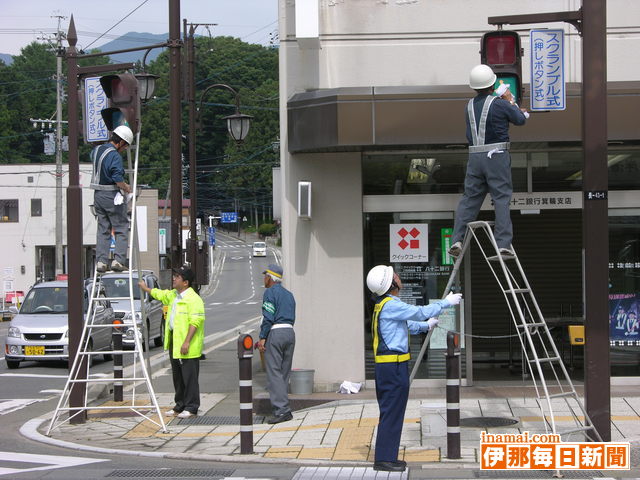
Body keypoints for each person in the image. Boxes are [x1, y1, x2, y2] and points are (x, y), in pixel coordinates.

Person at [366, 265, 462, 472]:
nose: (399, 278)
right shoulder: (390, 304)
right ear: (390, 284)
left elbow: (406, 325)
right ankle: (383, 459)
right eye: (395, 276)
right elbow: (419, 312)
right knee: (392, 412)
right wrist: (446, 303)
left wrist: (426, 326)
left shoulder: (385, 304)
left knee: (393, 411)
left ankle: (388, 456)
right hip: (393, 366)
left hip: (392, 366)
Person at [448, 64, 528, 259]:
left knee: (469, 199)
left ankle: (457, 239)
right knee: (501, 198)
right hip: (497, 155)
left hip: (474, 157)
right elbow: (520, 120)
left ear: (474, 86)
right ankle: (502, 244)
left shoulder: (468, 106)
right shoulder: (500, 103)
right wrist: (511, 101)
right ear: (493, 84)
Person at [138, 266, 205, 418]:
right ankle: (179, 405)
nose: (174, 278)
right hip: (175, 343)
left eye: (177, 277)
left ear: (186, 282)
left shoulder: (194, 299)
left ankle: (192, 407)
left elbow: (196, 321)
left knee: (189, 378)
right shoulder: (174, 295)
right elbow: (160, 294)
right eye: (174, 276)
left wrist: (187, 342)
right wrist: (145, 288)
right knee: (178, 377)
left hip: (188, 345)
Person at [90, 125, 134, 273]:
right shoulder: (114, 155)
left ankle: (101, 262)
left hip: (97, 195)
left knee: (103, 229)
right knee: (121, 227)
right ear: (121, 142)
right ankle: (118, 260)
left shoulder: (96, 151)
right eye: (125, 146)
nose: (124, 149)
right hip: (111, 195)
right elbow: (117, 178)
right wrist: (127, 188)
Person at [256, 264, 296, 424]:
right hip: (290, 332)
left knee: (274, 373)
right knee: (284, 373)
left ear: (270, 278)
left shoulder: (269, 293)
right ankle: (284, 408)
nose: (264, 279)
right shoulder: (289, 294)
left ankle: (282, 411)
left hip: (276, 332)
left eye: (265, 276)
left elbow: (268, 316)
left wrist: (262, 337)